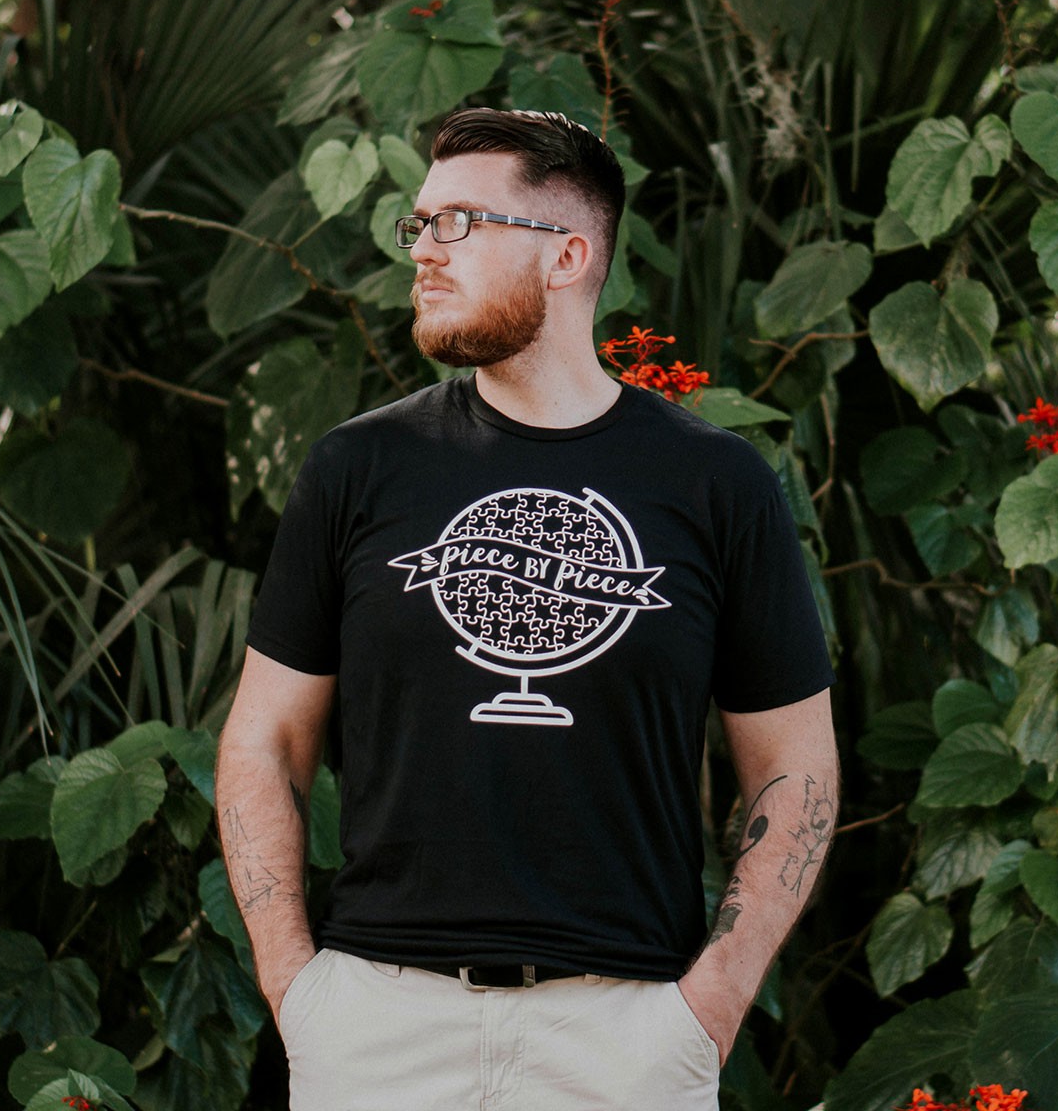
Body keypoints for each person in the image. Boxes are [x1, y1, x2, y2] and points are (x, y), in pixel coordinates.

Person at [216, 107, 839, 1111]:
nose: (424, 252)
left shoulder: (716, 483)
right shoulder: (357, 469)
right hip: (377, 1025)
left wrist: (710, 1004)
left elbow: (794, 767)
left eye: (461, 222)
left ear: (567, 256)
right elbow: (264, 741)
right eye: (418, 225)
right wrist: (298, 988)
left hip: (623, 1035)